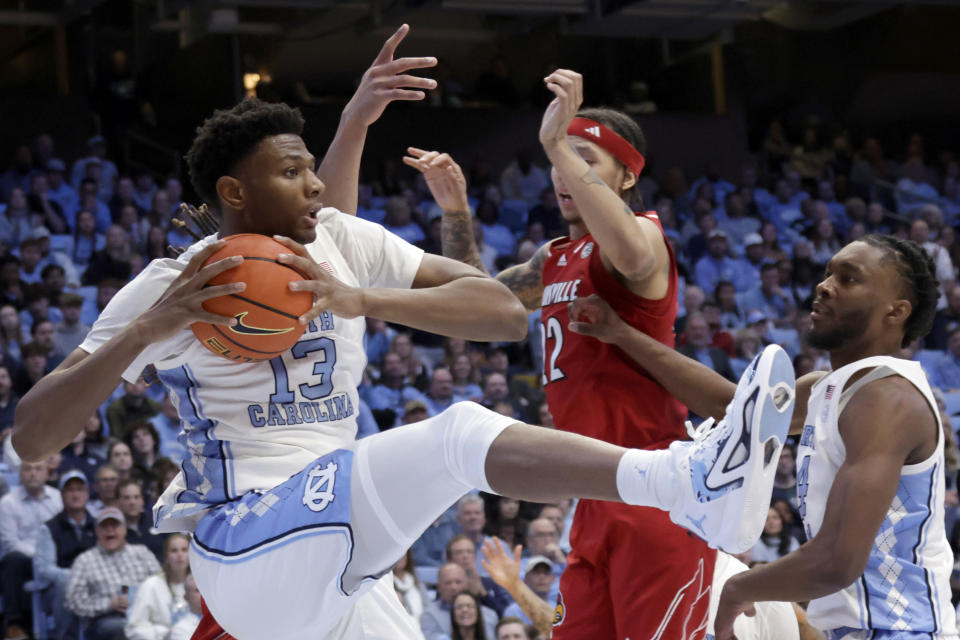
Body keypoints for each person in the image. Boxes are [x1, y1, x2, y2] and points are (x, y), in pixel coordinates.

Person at [11, 58, 793, 640]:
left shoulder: (344, 242)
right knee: (455, 432)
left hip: (337, 550)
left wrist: (365, 296)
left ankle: (690, 480)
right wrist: (146, 331)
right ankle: (689, 478)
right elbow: (33, 435)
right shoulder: (170, 284)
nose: (316, 187)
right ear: (234, 193)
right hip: (243, 539)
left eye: (316, 170)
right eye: (292, 173)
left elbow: (496, 311)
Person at [422, 68, 743, 640]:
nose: (563, 174)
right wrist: (455, 213)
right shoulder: (555, 257)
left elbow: (626, 249)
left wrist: (553, 140)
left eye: (583, 160)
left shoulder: (643, 236)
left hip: (655, 484)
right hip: (592, 492)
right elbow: (478, 304)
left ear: (624, 175)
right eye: (558, 161)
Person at [565, 234, 958, 639]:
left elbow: (838, 559)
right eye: (827, 273)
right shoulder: (832, 388)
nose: (824, 286)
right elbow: (732, 407)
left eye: (849, 278)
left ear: (896, 312)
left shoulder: (885, 398)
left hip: (906, 630)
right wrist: (622, 334)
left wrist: (739, 590)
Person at [65, 507, 162, 640]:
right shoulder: (85, 561)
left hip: (146, 612)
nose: (110, 530)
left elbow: (161, 584)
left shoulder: (142, 553)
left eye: (115, 525)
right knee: (128, 628)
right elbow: (73, 601)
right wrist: (109, 604)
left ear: (124, 530)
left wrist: (142, 600)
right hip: (107, 620)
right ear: (97, 532)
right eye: (104, 526)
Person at [0, 460, 63, 640]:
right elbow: (10, 542)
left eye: (38, 469)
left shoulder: (58, 498)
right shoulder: (7, 503)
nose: (33, 473)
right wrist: (39, 557)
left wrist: (47, 557)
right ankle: (14, 625)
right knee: (12, 559)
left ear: (46, 473)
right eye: (28, 469)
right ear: (20, 473)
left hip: (54, 557)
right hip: (24, 560)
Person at [34, 469, 98, 640]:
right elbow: (45, 569)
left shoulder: (99, 525)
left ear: (87, 493)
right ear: (62, 495)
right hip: (59, 589)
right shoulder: (49, 528)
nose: (75, 494)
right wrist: (75, 576)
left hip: (95, 583)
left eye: (80, 489)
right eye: (70, 490)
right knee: (65, 585)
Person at [124, 533, 191, 640]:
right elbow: (134, 628)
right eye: (174, 550)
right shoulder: (151, 585)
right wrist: (165, 634)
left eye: (184, 550)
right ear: (166, 557)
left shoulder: (199, 585)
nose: (180, 555)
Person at [421, 564, 498, 640]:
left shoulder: (490, 615)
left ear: (467, 584)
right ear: (439, 587)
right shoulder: (429, 615)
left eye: (458, 582)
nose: (453, 587)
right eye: (448, 583)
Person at [167, 574, 202, 640]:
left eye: (205, 590)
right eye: (197, 591)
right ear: (186, 598)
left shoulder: (222, 620)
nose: (203, 594)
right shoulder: (180, 630)